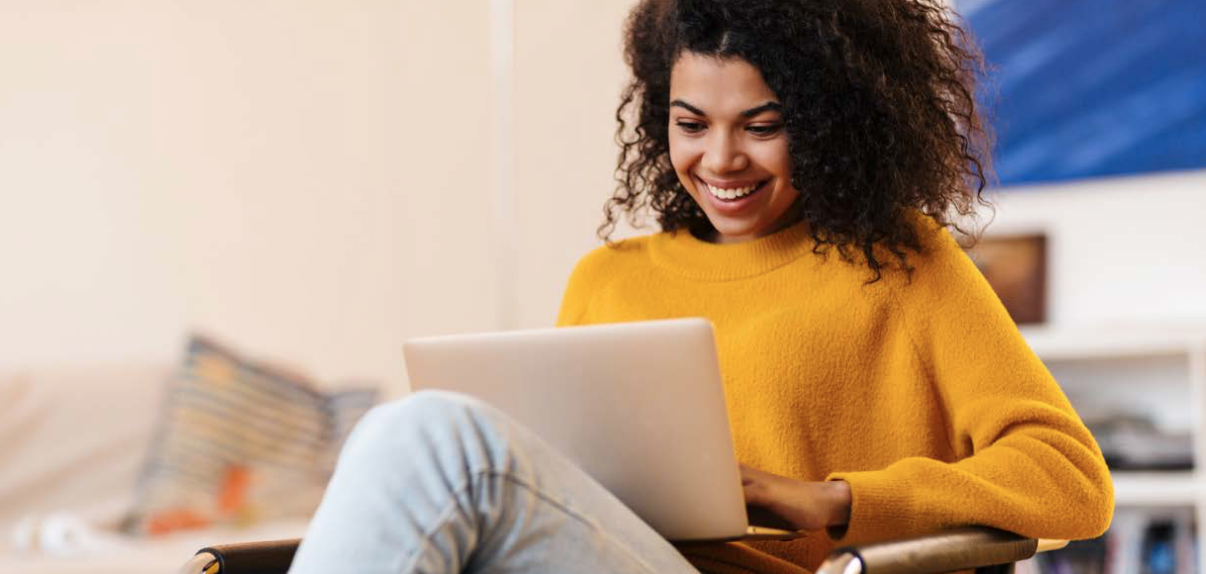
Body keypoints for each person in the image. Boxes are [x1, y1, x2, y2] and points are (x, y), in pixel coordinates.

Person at [287, 1, 1114, 573]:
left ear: (829, 121)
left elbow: (1072, 480)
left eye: (763, 125)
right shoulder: (607, 280)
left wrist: (834, 500)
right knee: (409, 438)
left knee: (432, 436)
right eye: (692, 124)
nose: (719, 161)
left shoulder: (901, 264)